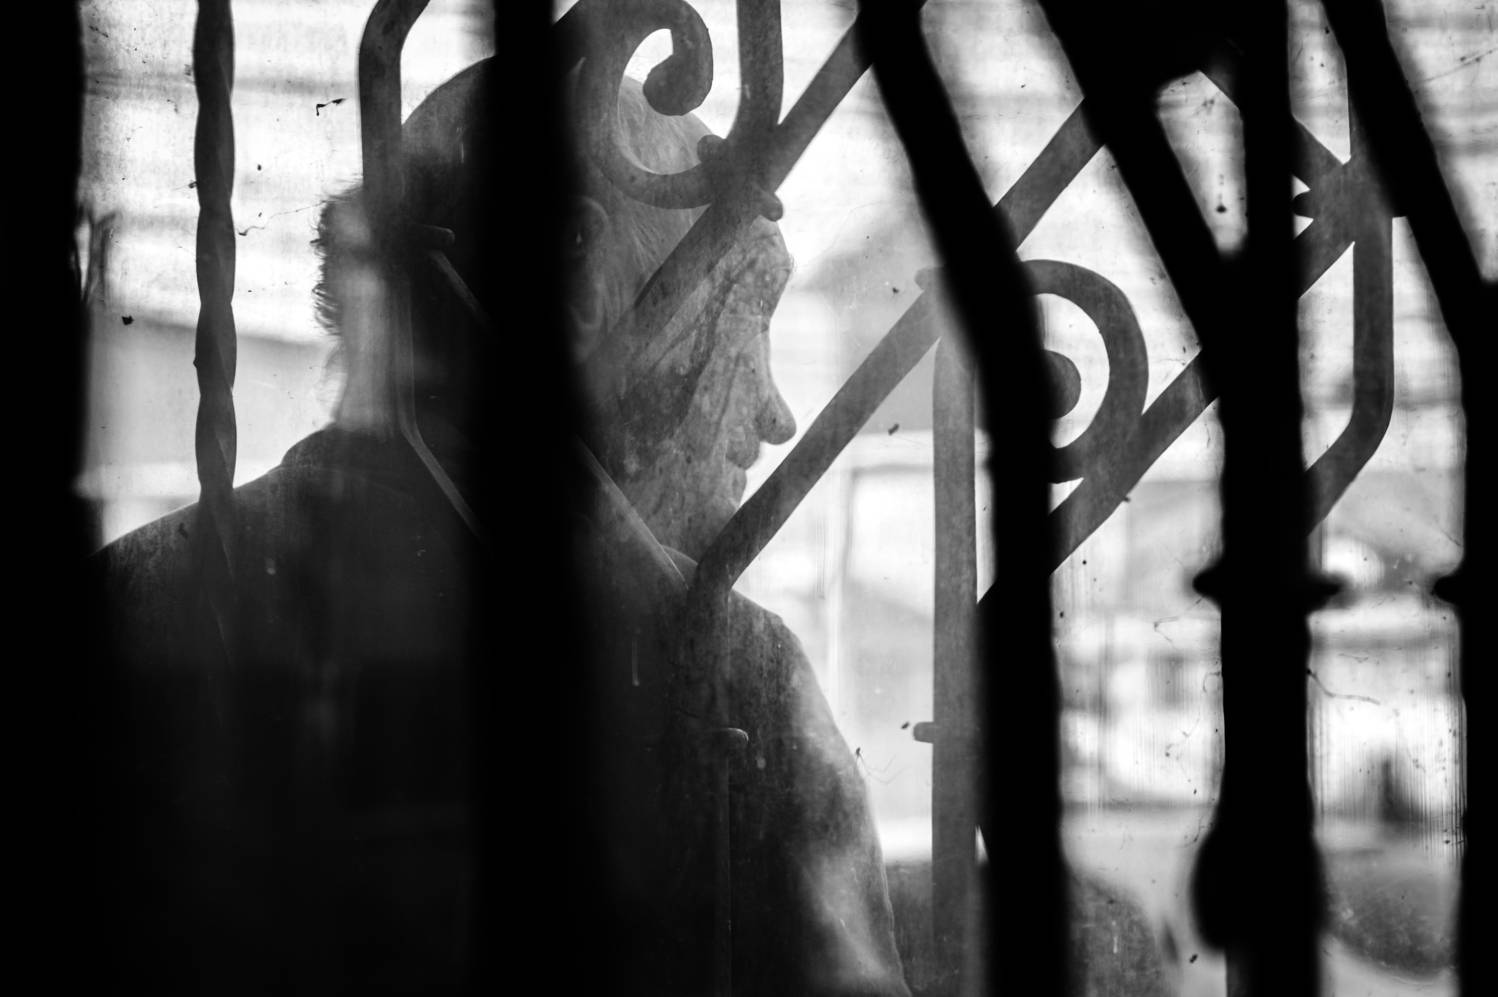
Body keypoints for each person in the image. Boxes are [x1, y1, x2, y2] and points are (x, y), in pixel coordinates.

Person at [97, 58, 909, 996]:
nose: (775, 415)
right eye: (746, 312)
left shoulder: (129, 599)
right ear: (575, 292)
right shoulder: (730, 671)